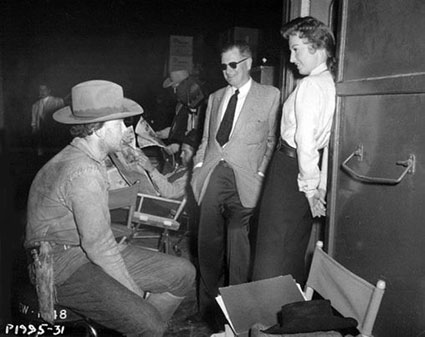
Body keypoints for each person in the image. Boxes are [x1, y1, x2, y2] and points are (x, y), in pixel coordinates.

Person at [24, 80, 195, 337]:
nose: (126, 129)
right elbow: (99, 246)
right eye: (120, 123)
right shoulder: (84, 170)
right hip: (61, 265)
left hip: (78, 251)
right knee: (150, 325)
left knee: (182, 273)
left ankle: (131, 323)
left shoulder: (82, 158)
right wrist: (134, 295)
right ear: (99, 129)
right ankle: (140, 324)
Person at [190, 41, 280, 330]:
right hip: (214, 176)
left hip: (247, 181)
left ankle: (236, 314)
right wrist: (198, 170)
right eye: (223, 66)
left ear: (248, 63)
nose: (227, 71)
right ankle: (208, 313)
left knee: (238, 248)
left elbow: (272, 142)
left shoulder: (270, 96)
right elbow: (206, 140)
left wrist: (263, 174)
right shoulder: (215, 97)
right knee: (207, 246)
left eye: (233, 65)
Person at [252, 17, 336, 286]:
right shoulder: (328, 81)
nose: (291, 57)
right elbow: (326, 145)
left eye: (296, 48)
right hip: (303, 173)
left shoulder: (311, 85)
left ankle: (261, 321)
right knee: (290, 249)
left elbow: (305, 139)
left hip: (291, 171)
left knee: (271, 249)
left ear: (318, 45)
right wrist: (317, 186)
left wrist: (311, 188)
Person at [157, 69, 206, 155]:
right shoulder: (181, 106)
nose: (175, 92)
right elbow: (182, 128)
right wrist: (169, 132)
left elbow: (201, 136)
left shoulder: (205, 107)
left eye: (176, 88)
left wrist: (179, 147)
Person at [31, 83, 64, 155]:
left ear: (49, 91)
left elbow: (62, 117)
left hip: (54, 133)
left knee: (54, 153)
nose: (42, 92)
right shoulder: (35, 105)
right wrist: (34, 130)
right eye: (40, 90)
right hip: (41, 134)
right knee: (42, 154)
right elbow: (34, 121)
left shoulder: (58, 101)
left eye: (44, 89)